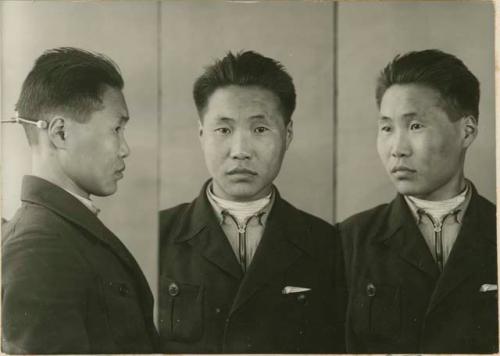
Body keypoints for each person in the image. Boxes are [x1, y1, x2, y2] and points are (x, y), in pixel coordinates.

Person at [159, 50, 345, 353]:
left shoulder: (328, 244)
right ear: (201, 134)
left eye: (260, 129)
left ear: (287, 135)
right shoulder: (156, 237)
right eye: (224, 130)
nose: (240, 150)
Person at [338, 49, 497, 353]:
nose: (397, 148)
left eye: (415, 126)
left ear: (467, 131)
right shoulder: (348, 241)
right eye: (386, 128)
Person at [2, 47, 158, 353]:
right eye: (116, 129)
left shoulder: (59, 231)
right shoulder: (39, 247)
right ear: (60, 133)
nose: (125, 149)